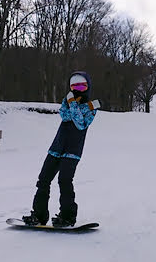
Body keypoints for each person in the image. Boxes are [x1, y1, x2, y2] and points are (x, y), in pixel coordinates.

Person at [23, 72, 100, 227]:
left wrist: (73, 103)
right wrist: (70, 103)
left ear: (88, 87)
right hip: (56, 147)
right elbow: (64, 116)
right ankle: (39, 215)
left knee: (64, 181)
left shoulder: (93, 105)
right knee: (43, 180)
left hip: (73, 150)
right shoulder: (67, 101)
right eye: (74, 86)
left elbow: (80, 124)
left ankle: (68, 216)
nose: (78, 89)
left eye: (81, 85)